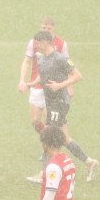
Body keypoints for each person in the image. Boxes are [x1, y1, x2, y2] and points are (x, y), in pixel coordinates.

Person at [27, 30, 100, 181]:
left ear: (46, 42)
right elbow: (43, 75)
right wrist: (32, 84)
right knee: (65, 139)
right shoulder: (40, 59)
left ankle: (45, 174)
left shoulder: (61, 58)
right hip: (51, 102)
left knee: (48, 138)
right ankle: (89, 162)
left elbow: (78, 75)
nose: (36, 45)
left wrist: (60, 85)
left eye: (38, 42)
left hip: (59, 102)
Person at [18, 18, 69, 181]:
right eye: (43, 26)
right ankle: (50, 144)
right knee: (35, 121)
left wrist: (67, 86)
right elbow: (27, 60)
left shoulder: (61, 44)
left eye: (48, 27)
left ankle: (48, 163)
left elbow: (67, 67)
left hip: (52, 90)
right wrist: (23, 80)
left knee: (50, 127)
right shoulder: (34, 42)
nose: (46, 29)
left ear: (53, 28)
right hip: (37, 87)